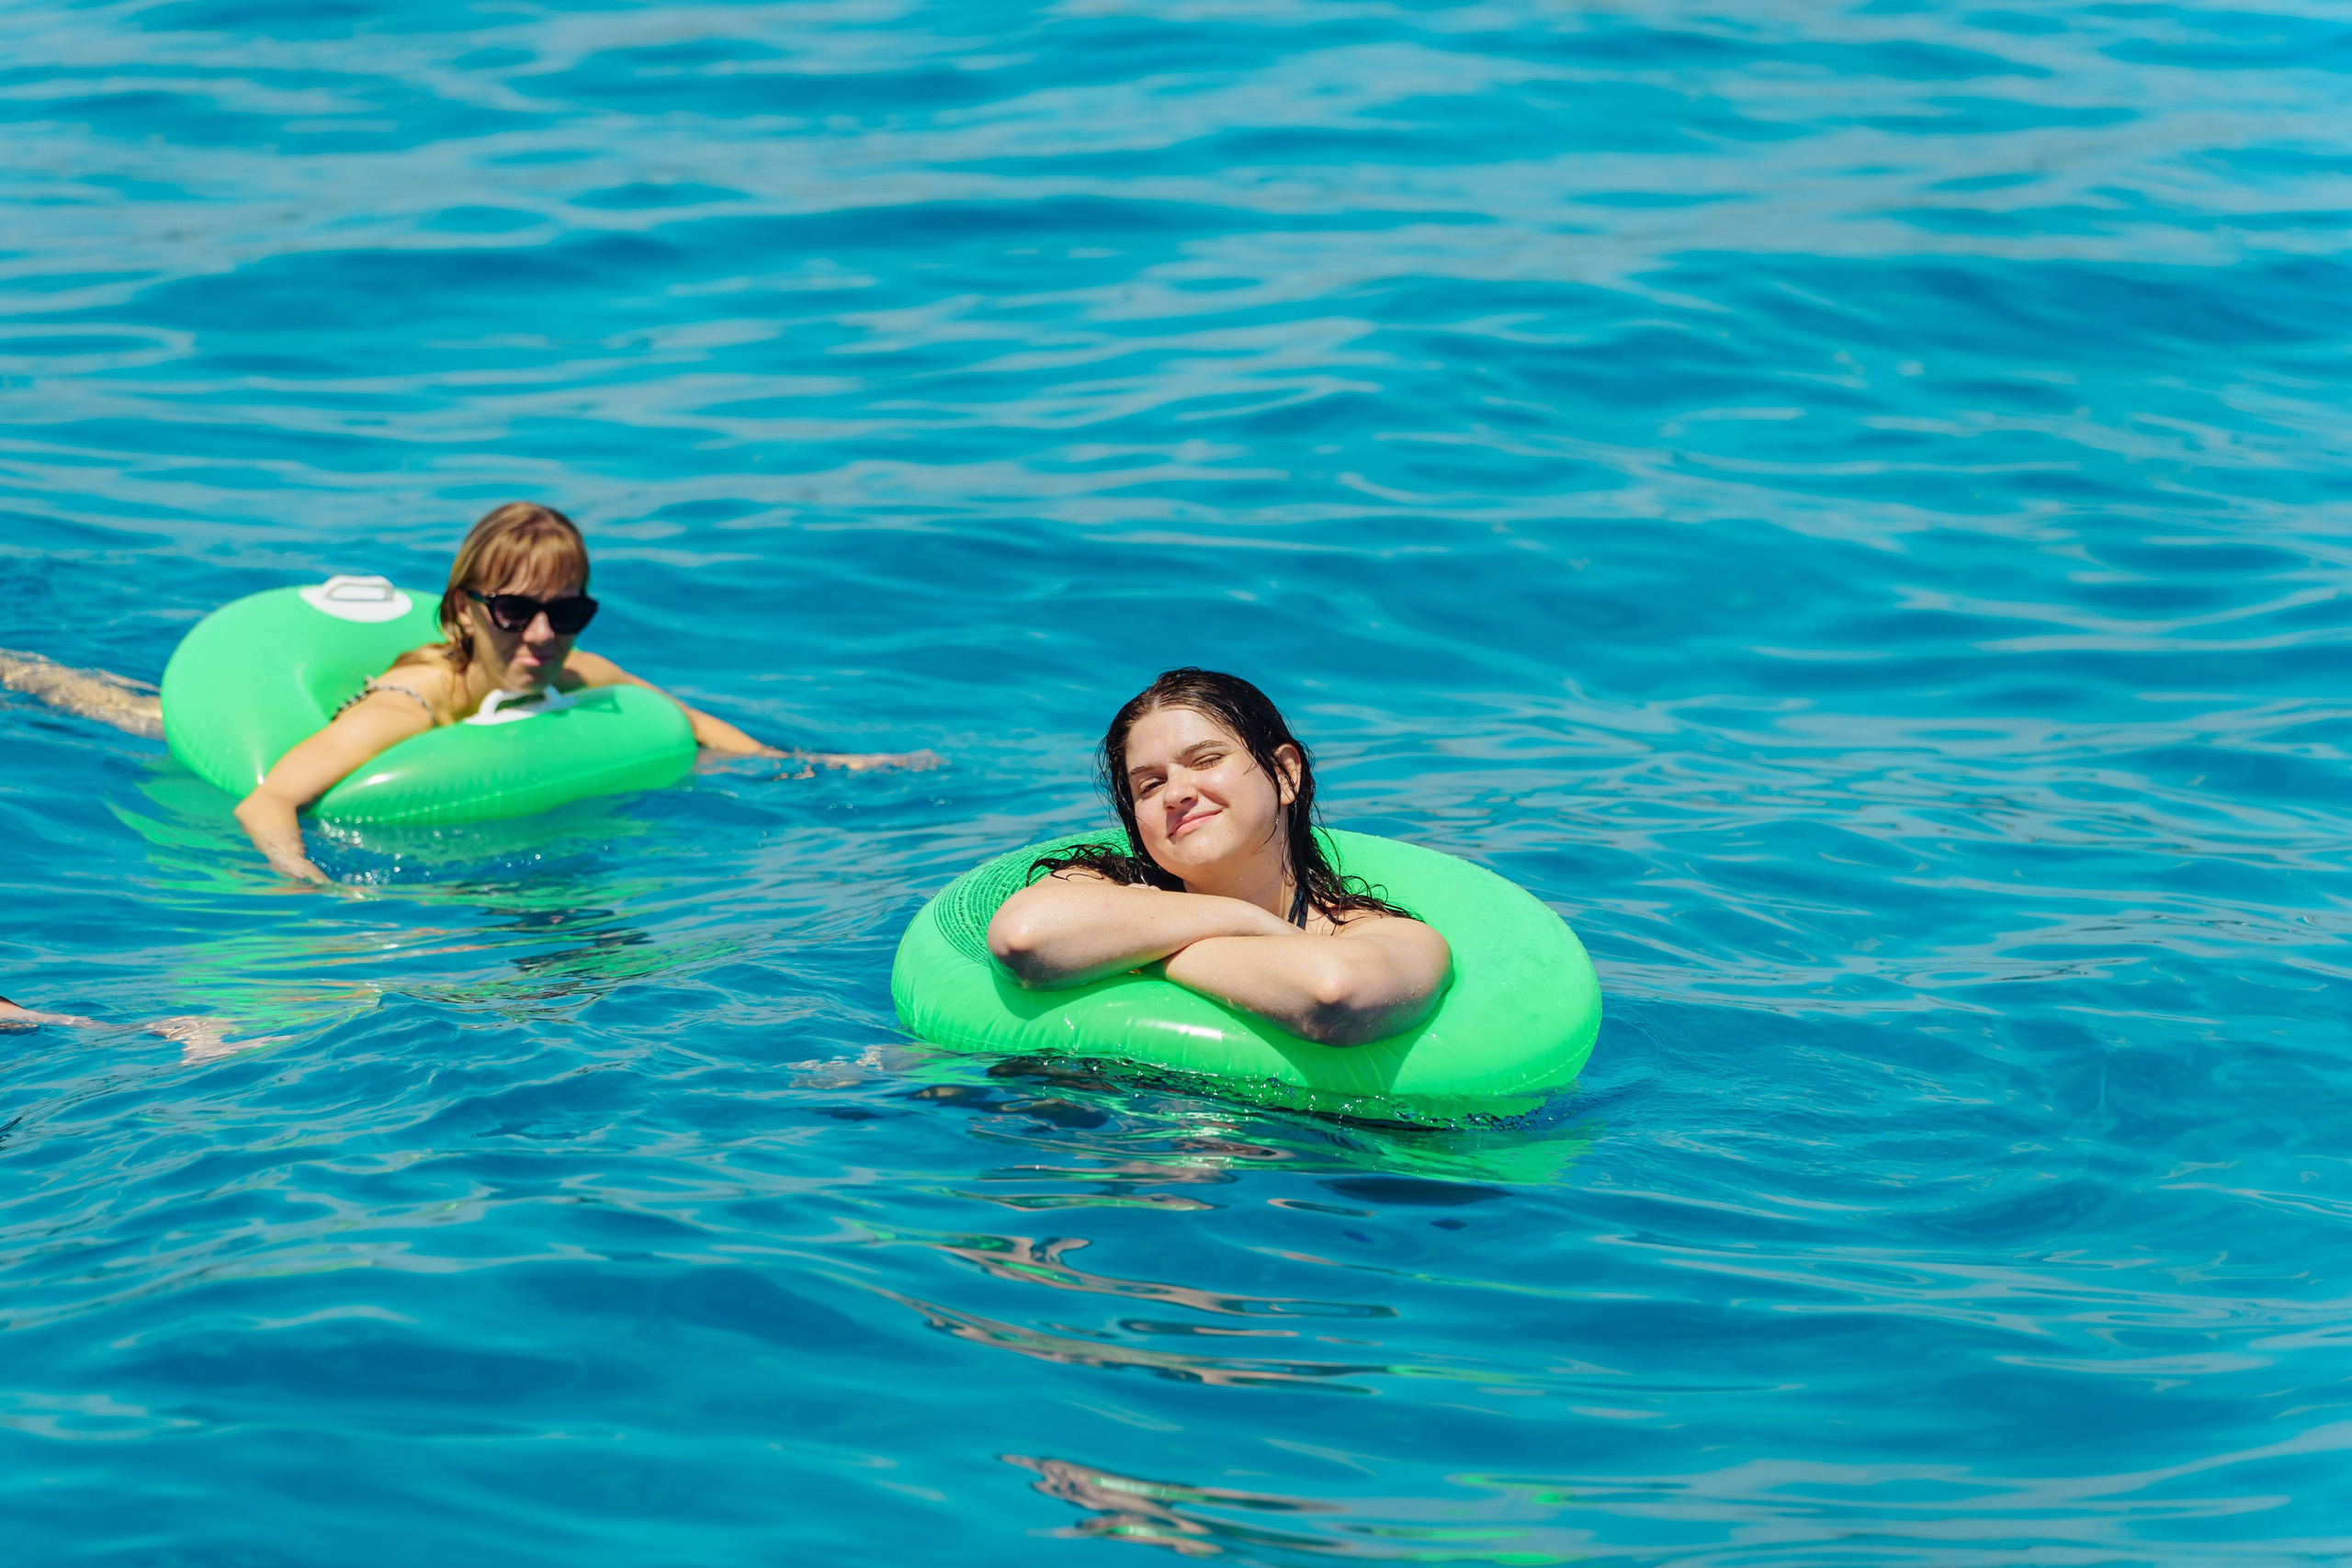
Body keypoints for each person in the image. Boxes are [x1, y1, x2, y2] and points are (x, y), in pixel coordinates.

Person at [232, 502, 935, 882]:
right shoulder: (407, 706)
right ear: (464, 610)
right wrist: (305, 881)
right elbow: (265, 799)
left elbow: (687, 721)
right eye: (514, 611)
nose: (542, 635)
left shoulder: (572, 673)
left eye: (565, 613)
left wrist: (824, 767)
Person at [986, 668, 1451, 1047]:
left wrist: (1137, 953)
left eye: (1206, 760)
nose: (1176, 794)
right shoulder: (1099, 883)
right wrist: (1244, 920)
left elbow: (1333, 996)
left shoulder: (1383, 934)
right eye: (1149, 784)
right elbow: (1022, 938)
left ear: (1286, 775)